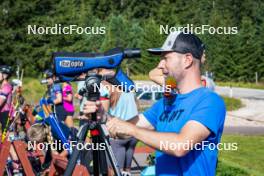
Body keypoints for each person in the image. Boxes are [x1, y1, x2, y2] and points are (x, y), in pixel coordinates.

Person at [84, 32, 226, 175]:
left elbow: (181, 145)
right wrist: (103, 116)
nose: (160, 65)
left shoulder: (210, 101)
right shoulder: (165, 102)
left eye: (165, 58)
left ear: (187, 60)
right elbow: (126, 129)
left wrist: (131, 130)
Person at [98, 68, 138, 176]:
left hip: (118, 134)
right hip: (133, 131)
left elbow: (103, 115)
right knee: (127, 172)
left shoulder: (105, 87)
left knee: (114, 171)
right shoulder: (128, 85)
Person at [149, 47, 216, 91]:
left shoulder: (206, 84)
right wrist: (172, 67)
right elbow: (153, 75)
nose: (160, 65)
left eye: (166, 58)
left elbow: (153, 75)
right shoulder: (176, 81)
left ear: (188, 59)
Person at [0, 65, 13, 139]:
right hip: (2, 114)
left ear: (5, 75)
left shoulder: (6, 87)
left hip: (5, 115)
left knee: (4, 141)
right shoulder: (2, 86)